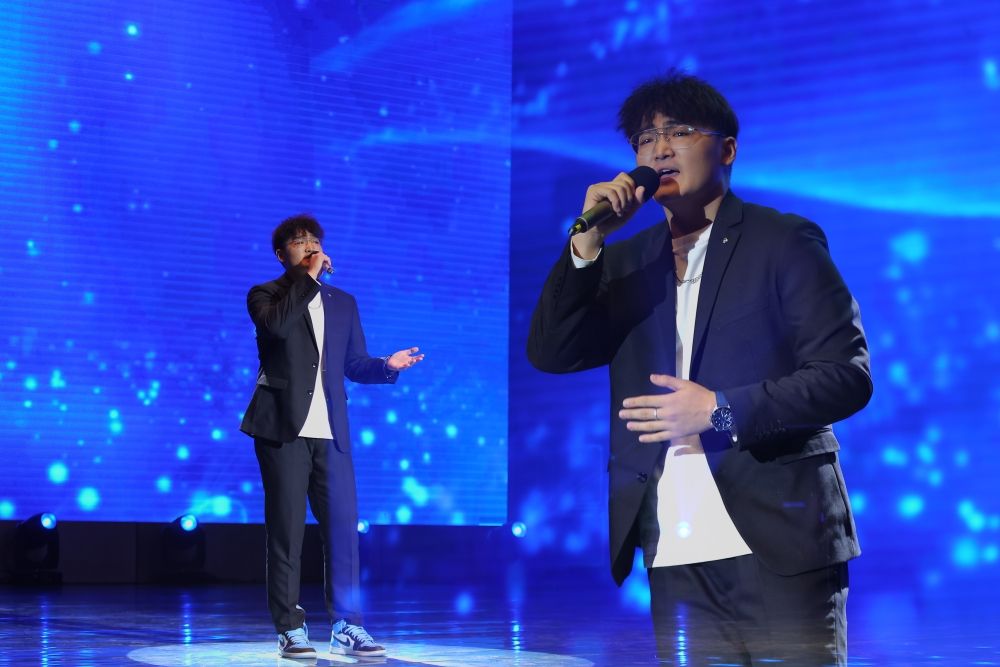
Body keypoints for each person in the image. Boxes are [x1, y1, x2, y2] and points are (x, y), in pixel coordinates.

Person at [527, 71, 872, 665]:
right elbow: (552, 351)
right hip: (673, 547)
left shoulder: (783, 240)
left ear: (727, 149)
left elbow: (846, 376)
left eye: (679, 132)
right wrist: (587, 246)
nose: (659, 149)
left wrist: (718, 410)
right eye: (644, 139)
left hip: (780, 539)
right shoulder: (626, 262)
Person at [241, 213, 424, 659]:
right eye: (298, 242)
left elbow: (353, 364)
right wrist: (306, 280)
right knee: (286, 532)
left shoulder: (343, 302)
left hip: (332, 432)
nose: (309, 246)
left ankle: (347, 625)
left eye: (314, 240)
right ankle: (290, 628)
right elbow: (276, 328)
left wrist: (386, 366)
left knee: (343, 532)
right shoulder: (266, 294)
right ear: (281, 254)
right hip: (283, 428)